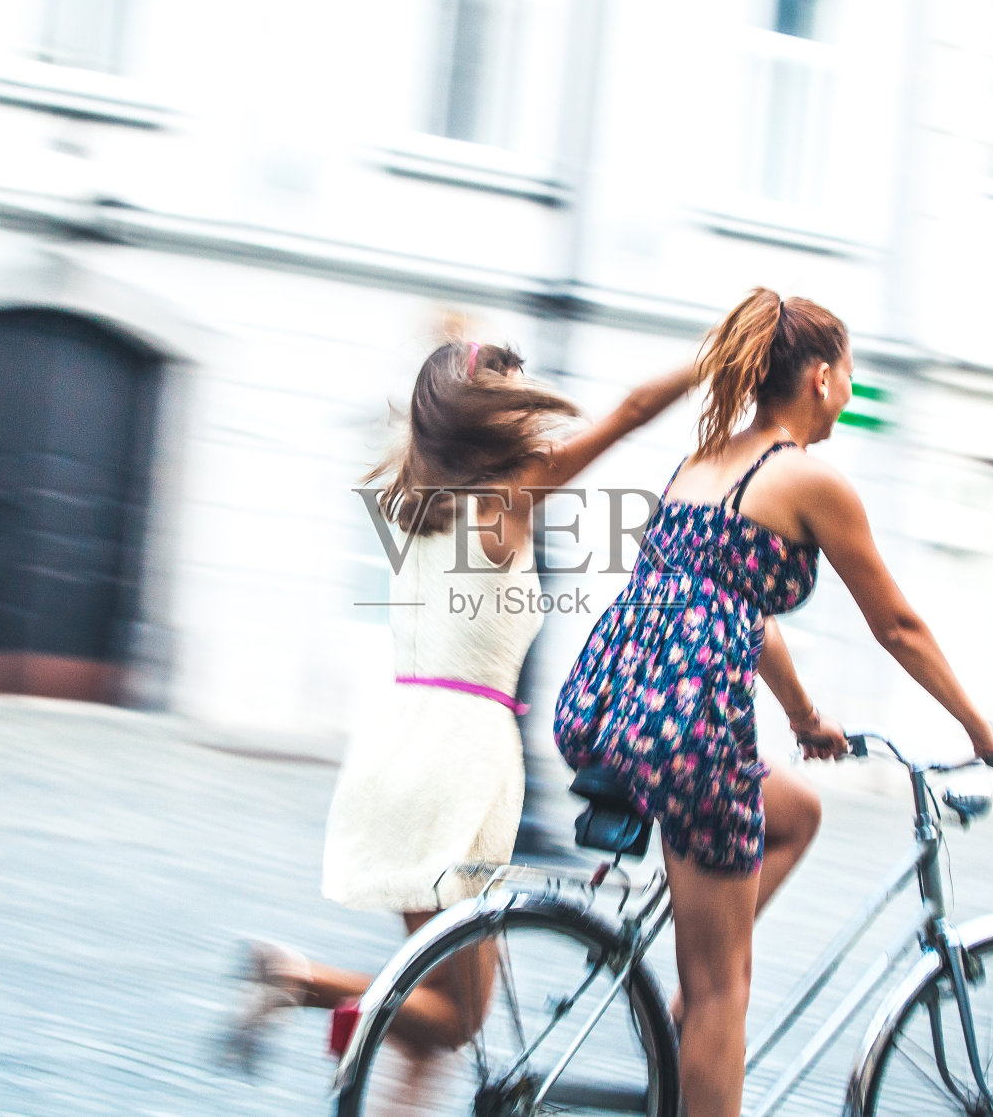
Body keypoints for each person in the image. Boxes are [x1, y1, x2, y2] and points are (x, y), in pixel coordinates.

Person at [552, 288, 993, 1117]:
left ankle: (692, 1004)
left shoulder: (703, 463)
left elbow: (736, 607)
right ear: (817, 377)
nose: (849, 390)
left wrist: (806, 718)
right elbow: (899, 625)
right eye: (848, 374)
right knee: (723, 989)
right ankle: (703, 1014)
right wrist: (981, 728)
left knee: (796, 810)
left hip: (613, 706)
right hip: (691, 734)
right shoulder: (808, 479)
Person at [231, 338, 709, 1075]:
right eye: (514, 394)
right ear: (483, 413)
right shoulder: (507, 495)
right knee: (458, 1018)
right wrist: (714, 356)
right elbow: (631, 413)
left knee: (437, 988)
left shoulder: (408, 498)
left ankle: (339, 1026)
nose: (529, 406)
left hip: (393, 746)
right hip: (457, 762)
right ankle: (300, 978)